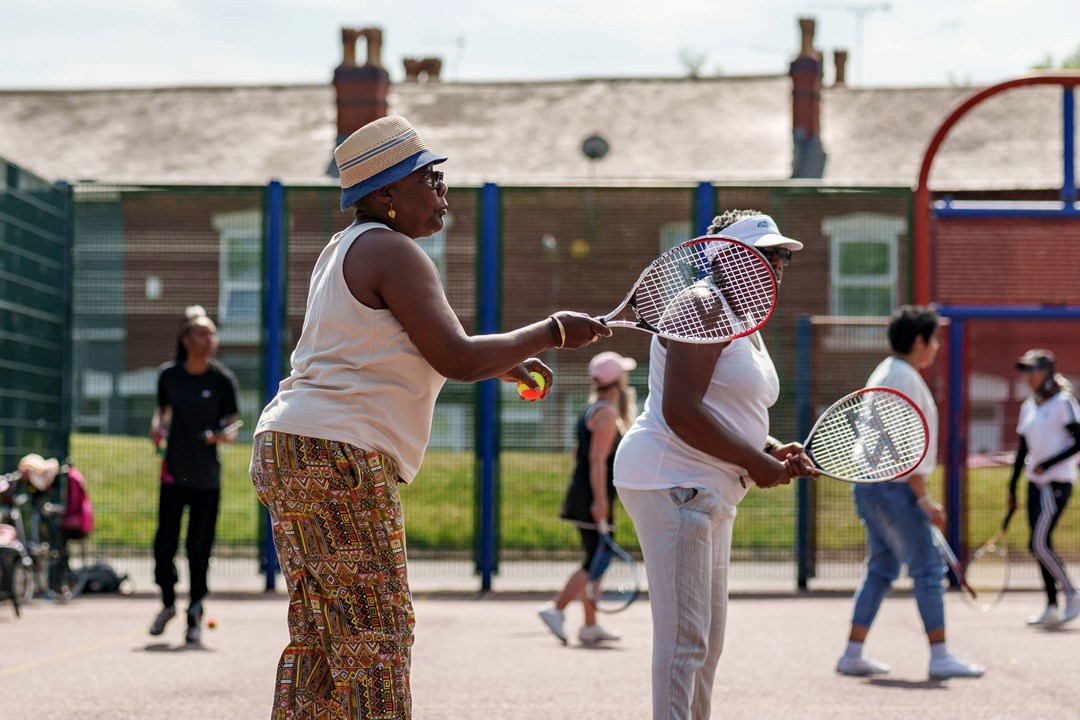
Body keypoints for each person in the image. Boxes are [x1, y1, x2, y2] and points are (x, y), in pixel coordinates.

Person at [248, 115, 610, 720]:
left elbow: (395, 347)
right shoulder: (395, 250)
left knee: (323, 637)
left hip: (289, 445)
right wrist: (551, 332)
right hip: (338, 454)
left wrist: (504, 362)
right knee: (376, 636)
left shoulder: (345, 248)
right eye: (428, 177)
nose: (443, 189)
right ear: (386, 195)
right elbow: (456, 355)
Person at [613, 210, 814, 719]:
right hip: (672, 479)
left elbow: (723, 407)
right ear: (727, 259)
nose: (777, 265)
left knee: (707, 643)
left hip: (709, 486)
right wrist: (755, 462)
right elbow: (679, 409)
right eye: (765, 254)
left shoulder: (746, 320)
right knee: (685, 642)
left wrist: (766, 449)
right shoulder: (702, 305)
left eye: (781, 256)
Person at [836, 305, 984, 680]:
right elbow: (907, 447)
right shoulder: (905, 378)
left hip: (870, 485)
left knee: (882, 568)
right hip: (895, 488)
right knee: (929, 569)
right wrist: (924, 498)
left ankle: (852, 653)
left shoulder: (886, 372)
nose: (935, 346)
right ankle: (940, 656)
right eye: (932, 339)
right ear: (919, 341)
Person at [149, 306, 240, 644]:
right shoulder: (169, 376)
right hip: (173, 475)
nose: (210, 339)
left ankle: (195, 609)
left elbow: (232, 427)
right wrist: (157, 430)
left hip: (206, 479)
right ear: (186, 340)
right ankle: (168, 603)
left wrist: (219, 436)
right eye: (203, 333)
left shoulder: (222, 380)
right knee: (164, 547)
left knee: (199, 548)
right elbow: (161, 413)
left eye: (213, 333)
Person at [538, 350, 638, 646]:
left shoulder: (594, 408)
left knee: (598, 557)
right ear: (618, 380)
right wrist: (600, 501)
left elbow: (581, 454)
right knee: (597, 559)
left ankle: (590, 626)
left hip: (588, 493)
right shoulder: (606, 413)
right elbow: (596, 460)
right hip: (593, 497)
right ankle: (555, 608)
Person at [1008, 348, 1080, 626]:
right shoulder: (1029, 406)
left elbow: (1078, 441)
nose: (1028, 376)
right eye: (1025, 370)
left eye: (1033, 369)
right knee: (1041, 545)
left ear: (1047, 371)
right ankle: (1051, 606)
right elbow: (1022, 448)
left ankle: (1072, 593)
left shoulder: (1063, 403)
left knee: (1037, 543)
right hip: (1034, 483)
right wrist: (1013, 487)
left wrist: (1048, 464)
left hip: (1057, 483)